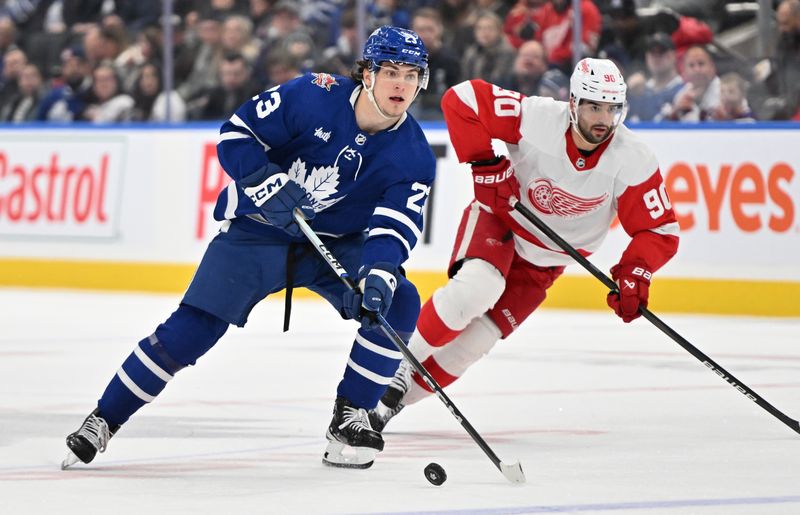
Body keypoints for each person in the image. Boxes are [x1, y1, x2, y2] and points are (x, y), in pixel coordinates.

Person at [62, 25, 436, 471]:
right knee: (192, 329)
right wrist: (263, 179)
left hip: (335, 243)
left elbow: (395, 225)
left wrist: (380, 270)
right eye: (391, 71)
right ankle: (104, 418)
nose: (401, 84)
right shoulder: (312, 95)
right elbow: (237, 133)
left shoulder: (414, 154)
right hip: (259, 230)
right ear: (366, 74)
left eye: (412, 74)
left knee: (398, 300)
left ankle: (350, 417)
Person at [371, 58, 680, 430]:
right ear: (573, 103)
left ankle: (386, 408)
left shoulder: (632, 158)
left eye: (612, 109)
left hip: (546, 262)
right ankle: (397, 365)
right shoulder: (538, 118)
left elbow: (659, 230)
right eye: (594, 106)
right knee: (477, 289)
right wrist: (484, 164)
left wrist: (635, 272)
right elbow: (461, 99)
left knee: (475, 343)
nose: (603, 118)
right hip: (501, 221)